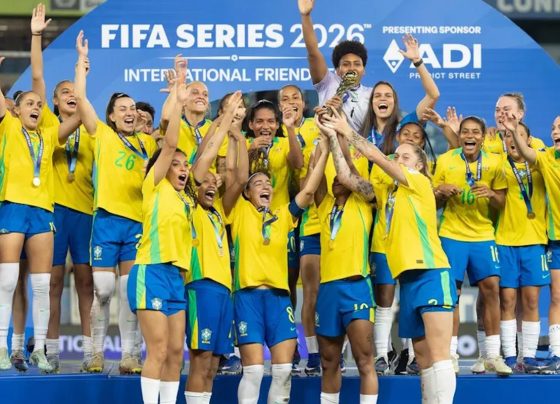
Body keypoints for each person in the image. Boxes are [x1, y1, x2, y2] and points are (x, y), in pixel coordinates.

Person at [337, 125, 457, 403]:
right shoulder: (388, 193)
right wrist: (334, 137)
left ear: (419, 164)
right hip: (408, 280)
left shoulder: (419, 182)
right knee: (423, 357)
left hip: (431, 271)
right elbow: (346, 177)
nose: (398, 160)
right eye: (396, 156)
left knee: (439, 354)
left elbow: (376, 157)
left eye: (405, 157)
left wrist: (347, 129)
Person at [225, 119, 328, 404]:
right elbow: (235, 176)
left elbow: (308, 191)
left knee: (283, 372)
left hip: (279, 300)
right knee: (255, 372)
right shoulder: (239, 211)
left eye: (268, 183)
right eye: (258, 183)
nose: (265, 186)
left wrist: (325, 150)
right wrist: (237, 138)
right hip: (247, 298)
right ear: (247, 192)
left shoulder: (283, 215)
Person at [74, 30, 158, 374]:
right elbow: (81, 99)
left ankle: (129, 356)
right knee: (104, 289)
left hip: (137, 222)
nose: (129, 112)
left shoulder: (148, 145)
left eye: (132, 108)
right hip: (107, 220)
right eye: (122, 108)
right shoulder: (103, 135)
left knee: (128, 292)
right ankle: (94, 353)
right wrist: (82, 63)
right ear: (111, 116)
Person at [0, 48, 81, 373]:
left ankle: (40, 351)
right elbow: (34, 79)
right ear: (15, 110)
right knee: (8, 282)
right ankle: (2, 348)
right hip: (12, 207)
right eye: (29, 103)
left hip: (42, 213)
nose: (35, 107)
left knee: (42, 286)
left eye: (39, 104)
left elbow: (80, 115)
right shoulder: (7, 127)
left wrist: (80, 75)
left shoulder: (49, 134)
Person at [29, 3, 95, 372]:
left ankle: (91, 352)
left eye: (75, 91)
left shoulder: (92, 127)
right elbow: (38, 78)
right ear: (54, 102)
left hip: (85, 212)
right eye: (64, 92)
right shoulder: (48, 124)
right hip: (54, 211)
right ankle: (50, 351)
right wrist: (37, 37)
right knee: (53, 283)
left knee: (86, 283)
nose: (71, 94)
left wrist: (80, 72)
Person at [127, 64, 190, 404]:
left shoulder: (184, 201)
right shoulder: (152, 186)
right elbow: (170, 144)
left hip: (175, 278)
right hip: (150, 271)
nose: (182, 169)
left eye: (185, 165)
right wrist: (178, 99)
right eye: (176, 165)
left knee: (176, 353)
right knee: (159, 349)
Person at [432, 116, 511, 376]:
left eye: (475, 132)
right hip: (452, 234)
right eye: (465, 131)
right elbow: (433, 202)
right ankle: (450, 355)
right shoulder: (445, 160)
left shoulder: (495, 162)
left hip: (483, 235)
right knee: (451, 294)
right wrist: (440, 191)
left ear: (482, 137)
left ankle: (491, 355)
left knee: (491, 290)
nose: (470, 136)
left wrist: (491, 194)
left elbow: (502, 202)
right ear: (460, 136)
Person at [313, 117, 378, 404]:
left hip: (356, 287)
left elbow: (350, 170)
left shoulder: (364, 203)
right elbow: (315, 177)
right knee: (328, 362)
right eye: (335, 177)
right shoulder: (324, 204)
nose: (338, 179)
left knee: (365, 360)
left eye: (344, 177)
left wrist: (339, 137)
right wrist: (324, 140)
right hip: (328, 290)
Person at [185, 91, 244, 404]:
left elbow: (237, 176)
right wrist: (225, 118)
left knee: (212, 364)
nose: (210, 184)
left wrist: (237, 135)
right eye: (204, 181)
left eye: (213, 182)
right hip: (201, 285)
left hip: (224, 290)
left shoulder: (220, 210)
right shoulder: (191, 205)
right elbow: (204, 157)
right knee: (200, 359)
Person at [506, 114, 560, 374]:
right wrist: (514, 130)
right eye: (553, 127)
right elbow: (526, 153)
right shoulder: (547, 157)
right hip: (557, 239)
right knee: (557, 296)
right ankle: (557, 353)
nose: (555, 131)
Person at [494, 121, 549, 373]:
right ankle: (508, 356)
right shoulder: (499, 165)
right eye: (507, 135)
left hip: (534, 241)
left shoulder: (539, 163)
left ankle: (528, 356)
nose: (512, 139)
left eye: (518, 135)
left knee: (531, 301)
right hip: (505, 242)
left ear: (529, 140)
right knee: (507, 301)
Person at [278, 84, 323, 375]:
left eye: (295, 97)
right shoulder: (273, 130)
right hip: (285, 216)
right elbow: (295, 165)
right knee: (286, 286)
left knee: (316, 290)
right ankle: (292, 346)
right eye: (285, 99)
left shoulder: (315, 126)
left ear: (304, 104)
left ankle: (320, 351)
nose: (291, 102)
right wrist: (287, 129)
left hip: (310, 213)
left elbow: (302, 163)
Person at [298, 0, 372, 133]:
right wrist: (305, 16)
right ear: (337, 70)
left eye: (357, 64)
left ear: (364, 70)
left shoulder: (371, 94)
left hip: (358, 146)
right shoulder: (328, 83)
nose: (352, 68)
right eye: (346, 64)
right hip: (327, 144)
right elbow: (313, 52)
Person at [361, 34, 440, 156]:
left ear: (394, 102)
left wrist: (417, 61)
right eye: (377, 96)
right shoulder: (364, 136)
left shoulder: (406, 126)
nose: (383, 98)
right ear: (372, 103)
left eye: (388, 95)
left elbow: (433, 95)